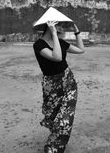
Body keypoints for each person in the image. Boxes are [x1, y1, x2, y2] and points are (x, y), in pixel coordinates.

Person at [33, 20, 85, 153]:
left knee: (65, 119)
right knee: (53, 116)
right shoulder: (38, 45)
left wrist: (77, 33)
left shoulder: (60, 42)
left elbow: (80, 50)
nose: (62, 29)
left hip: (68, 82)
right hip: (52, 85)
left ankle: (53, 148)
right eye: (58, 27)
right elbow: (57, 57)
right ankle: (56, 135)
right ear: (50, 28)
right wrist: (54, 34)